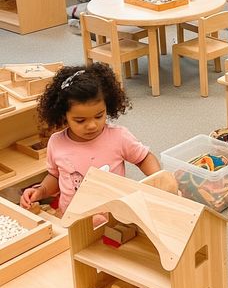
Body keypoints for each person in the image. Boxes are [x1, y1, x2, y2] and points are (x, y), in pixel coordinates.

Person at [20, 64, 160, 216]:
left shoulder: (118, 137)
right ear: (64, 116)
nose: (92, 125)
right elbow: (55, 176)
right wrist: (41, 191)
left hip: (113, 217)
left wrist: (159, 179)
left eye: (99, 116)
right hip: (72, 218)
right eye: (80, 120)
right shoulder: (56, 142)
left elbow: (143, 158)